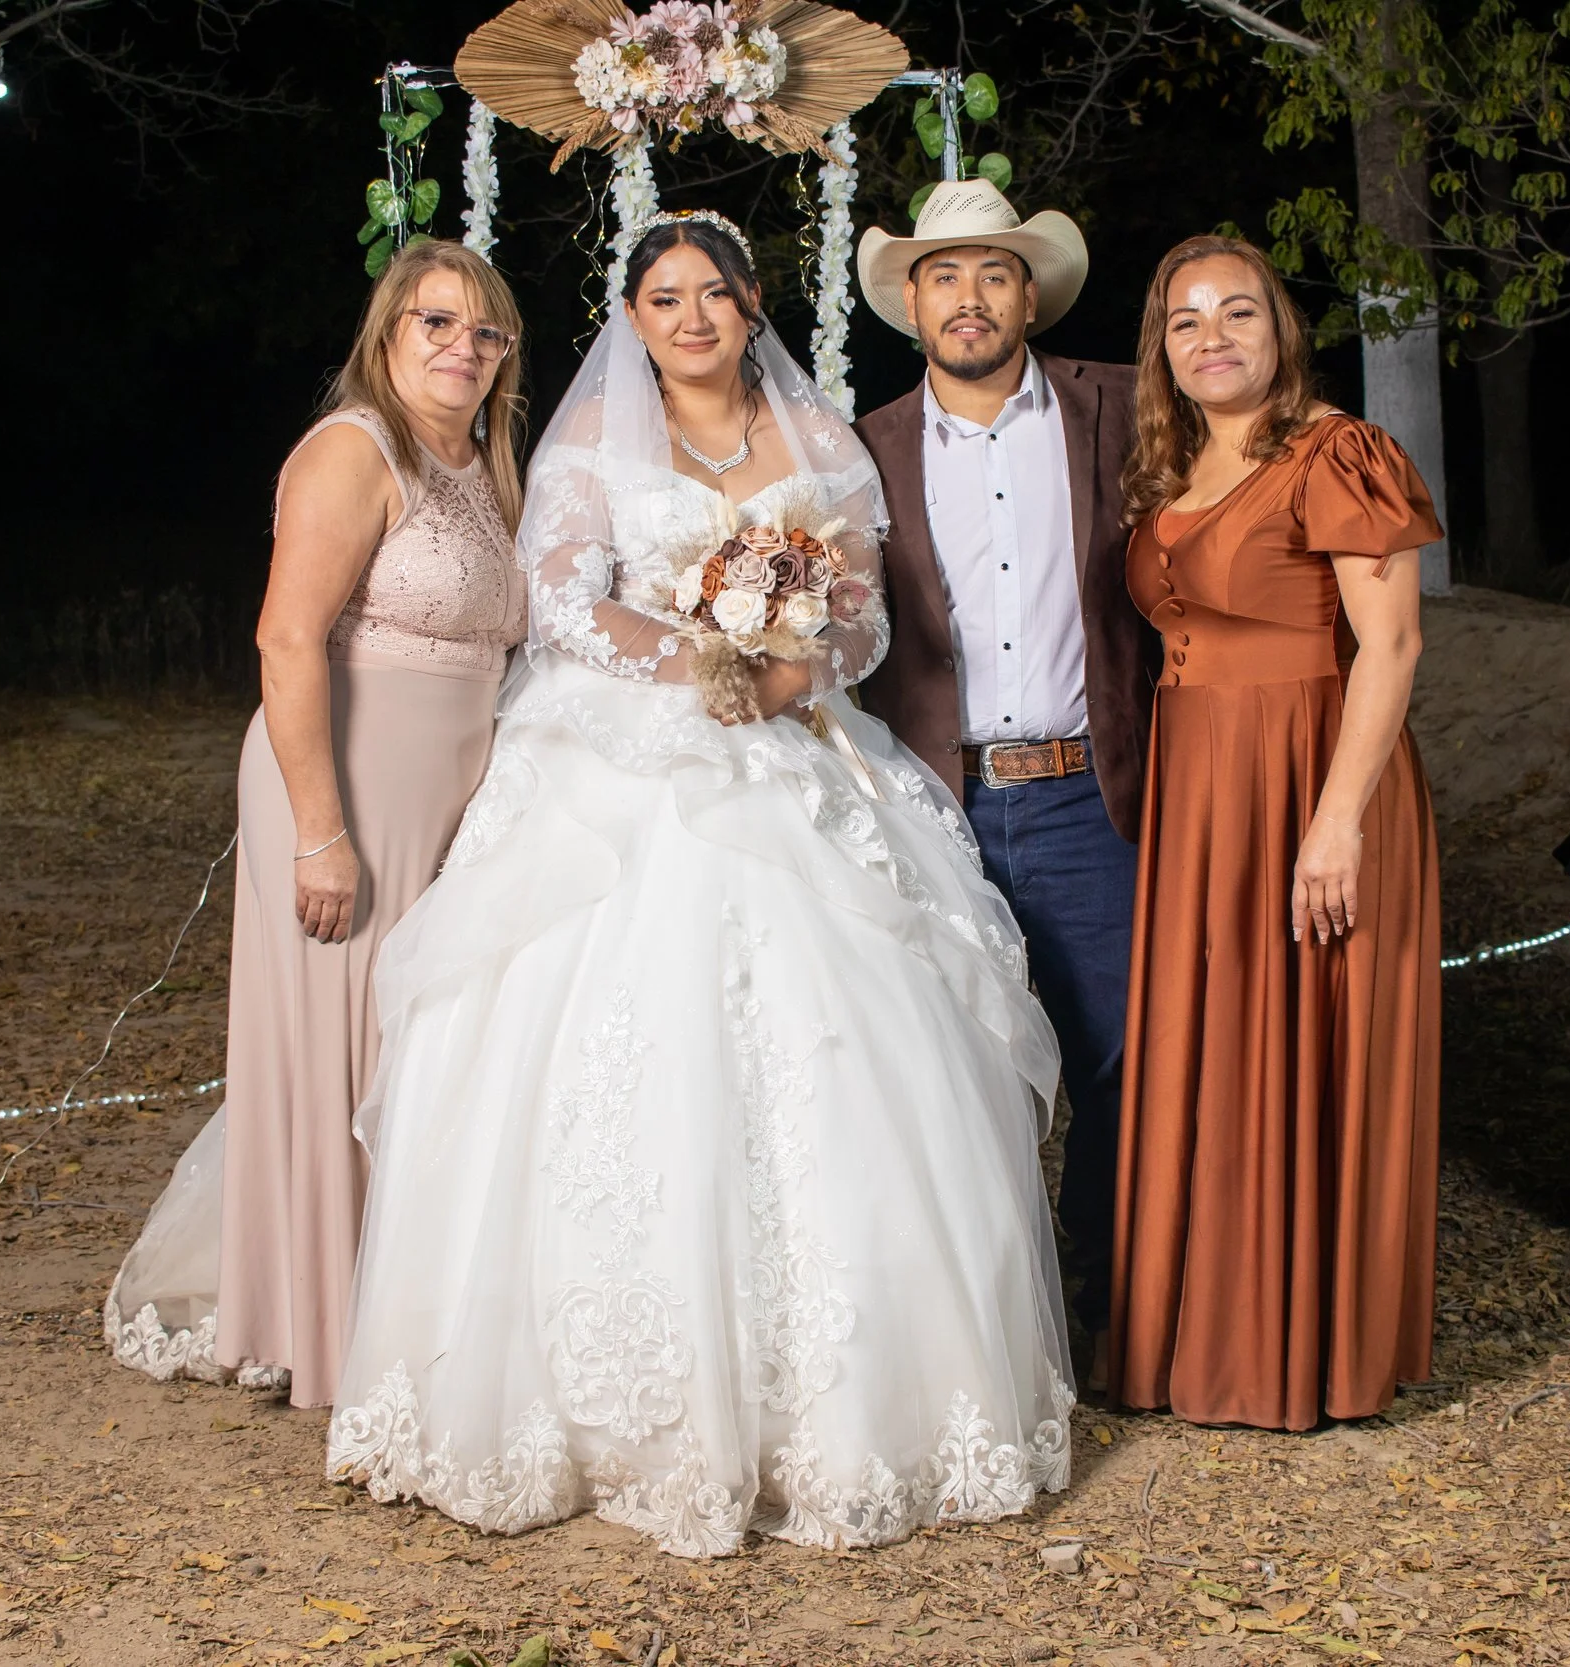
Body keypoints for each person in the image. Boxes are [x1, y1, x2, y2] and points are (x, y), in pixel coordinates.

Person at [325, 211, 1075, 1558]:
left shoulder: (819, 438)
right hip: (627, 737)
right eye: (662, 296)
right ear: (633, 317)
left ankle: (842, 1401)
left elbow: (863, 610)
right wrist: (703, 663)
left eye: (713, 293)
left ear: (749, 305)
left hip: (793, 733)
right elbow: (563, 601)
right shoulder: (593, 443)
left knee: (846, 1015)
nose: (690, 317)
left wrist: (796, 663)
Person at [103, 240, 529, 1405]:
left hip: (447, 786)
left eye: (484, 331)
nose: (461, 348)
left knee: (410, 1045)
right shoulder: (356, 450)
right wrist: (317, 831)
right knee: (341, 1047)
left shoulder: (482, 466)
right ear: (386, 335)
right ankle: (319, 1327)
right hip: (346, 775)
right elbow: (287, 639)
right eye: (435, 323)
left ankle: (392, 1299)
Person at [1108, 234, 1443, 1432]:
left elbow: (1391, 646)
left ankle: (1303, 1352)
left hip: (1310, 771)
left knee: (1303, 1046)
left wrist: (1336, 819)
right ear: (1165, 347)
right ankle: (1207, 1338)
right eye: (1186, 320)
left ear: (1280, 329)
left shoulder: (1336, 450)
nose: (1212, 338)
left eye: (1236, 313)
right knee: (1215, 1049)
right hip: (1202, 788)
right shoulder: (1169, 468)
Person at [852, 180, 1157, 1387]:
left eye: (990, 272)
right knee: (953, 1069)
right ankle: (984, 1341)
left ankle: (1105, 1309)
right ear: (910, 303)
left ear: (1029, 292)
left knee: (1119, 1057)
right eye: (942, 275)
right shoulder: (861, 447)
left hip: (1093, 791)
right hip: (935, 802)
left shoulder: (1125, 409)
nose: (966, 297)